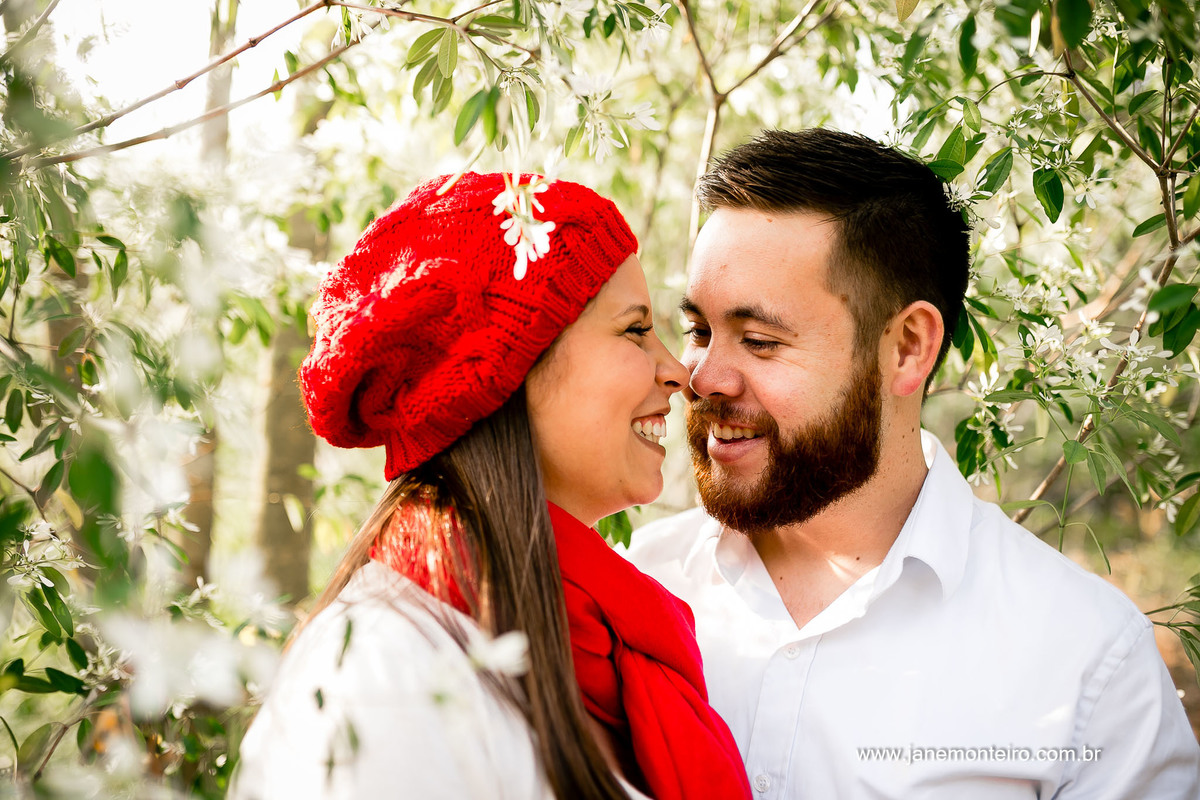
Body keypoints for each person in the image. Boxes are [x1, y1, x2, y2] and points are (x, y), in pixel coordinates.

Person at [625, 129, 1200, 798]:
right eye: (699, 330)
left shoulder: (1088, 660)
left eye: (758, 340)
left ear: (906, 348)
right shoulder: (634, 590)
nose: (703, 377)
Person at [232, 173, 751, 800]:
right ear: (508, 368)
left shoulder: (590, 633)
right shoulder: (382, 674)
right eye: (635, 329)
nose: (677, 371)